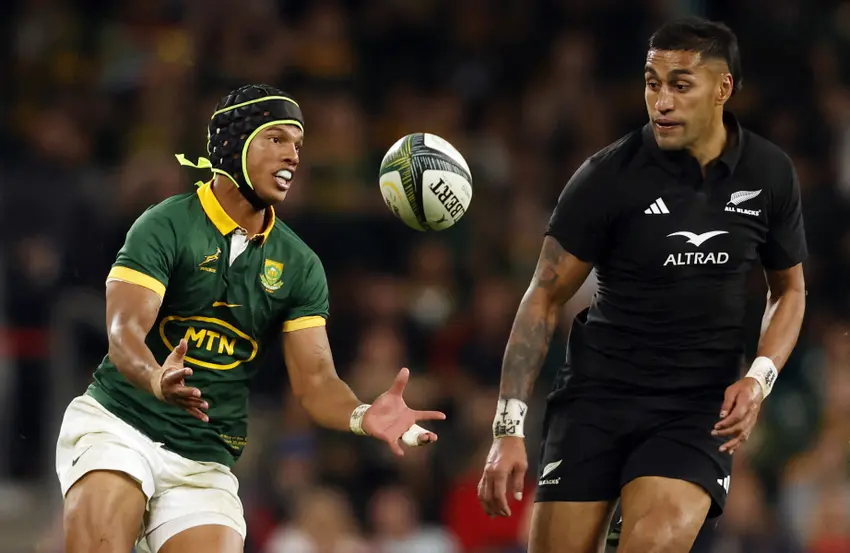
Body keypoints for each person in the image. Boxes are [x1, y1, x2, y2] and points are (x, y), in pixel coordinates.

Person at [55, 84, 446, 553]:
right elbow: (124, 334)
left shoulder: (300, 264)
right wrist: (155, 376)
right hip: (122, 424)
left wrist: (362, 414)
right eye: (276, 139)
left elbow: (315, 382)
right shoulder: (165, 225)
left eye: (297, 144)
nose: (293, 155)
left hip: (203, 458)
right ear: (231, 145)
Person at [477, 17, 807, 553]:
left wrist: (759, 378)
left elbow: (789, 290)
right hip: (597, 399)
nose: (662, 101)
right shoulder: (606, 177)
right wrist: (507, 428)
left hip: (696, 408)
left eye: (680, 84)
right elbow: (543, 296)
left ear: (722, 88)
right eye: (652, 83)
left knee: (652, 544)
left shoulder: (769, 173)